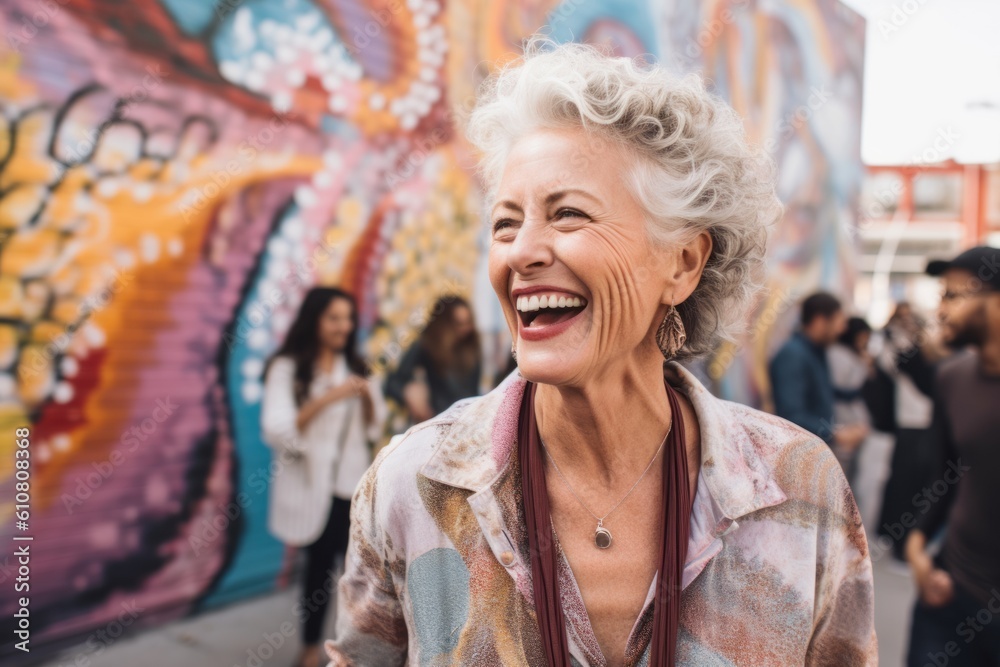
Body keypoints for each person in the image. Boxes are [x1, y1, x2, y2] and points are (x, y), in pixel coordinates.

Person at [325, 39, 876, 666]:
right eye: (506, 223)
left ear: (683, 262)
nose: (521, 252)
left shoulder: (798, 488)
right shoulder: (413, 484)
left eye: (568, 215)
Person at [260, 287, 387, 667]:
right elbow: (277, 429)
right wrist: (328, 398)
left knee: (359, 577)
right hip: (311, 487)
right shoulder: (288, 367)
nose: (343, 326)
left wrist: (363, 397)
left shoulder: (359, 367)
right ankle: (311, 648)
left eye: (348, 318)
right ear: (314, 319)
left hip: (351, 488)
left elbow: (373, 425)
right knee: (316, 573)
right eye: (334, 318)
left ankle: (351, 652)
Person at [904, 246, 1000, 667]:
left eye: (952, 296)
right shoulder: (951, 378)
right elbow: (944, 472)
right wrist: (918, 546)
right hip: (950, 592)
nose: (940, 310)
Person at [875, 302, 941, 560]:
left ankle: (907, 542)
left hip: (922, 426)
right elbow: (887, 363)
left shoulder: (922, 352)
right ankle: (899, 544)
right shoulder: (898, 350)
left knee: (916, 487)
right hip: (910, 426)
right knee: (905, 486)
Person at [769, 292, 868, 460]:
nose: (843, 328)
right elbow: (791, 416)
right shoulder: (793, 355)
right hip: (799, 458)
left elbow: (823, 390)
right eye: (839, 321)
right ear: (820, 321)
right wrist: (836, 434)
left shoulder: (815, 351)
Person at [829, 317, 895, 533]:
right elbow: (840, 393)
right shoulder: (838, 355)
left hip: (856, 428)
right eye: (862, 336)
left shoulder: (856, 356)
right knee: (841, 482)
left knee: (853, 483)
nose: (864, 341)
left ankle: (849, 530)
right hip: (844, 427)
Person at [384, 295, 482, 422]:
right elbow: (392, 383)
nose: (465, 329)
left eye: (468, 323)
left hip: (466, 422)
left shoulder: (470, 348)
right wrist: (409, 392)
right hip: (437, 421)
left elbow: (473, 391)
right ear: (444, 325)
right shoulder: (426, 345)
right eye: (459, 324)